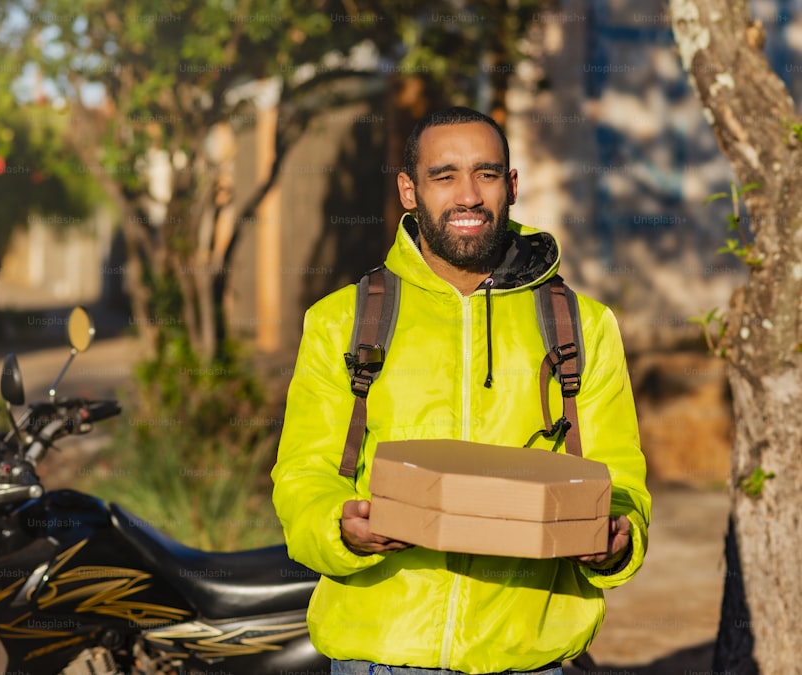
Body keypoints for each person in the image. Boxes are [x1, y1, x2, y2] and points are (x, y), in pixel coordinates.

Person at [271, 106, 651, 675]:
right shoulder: (342, 321)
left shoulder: (583, 325)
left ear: (512, 186)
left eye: (488, 173)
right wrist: (339, 527)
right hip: (381, 656)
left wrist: (617, 541)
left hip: (528, 657)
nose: (468, 195)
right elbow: (303, 475)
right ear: (409, 189)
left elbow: (619, 481)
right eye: (443, 175)